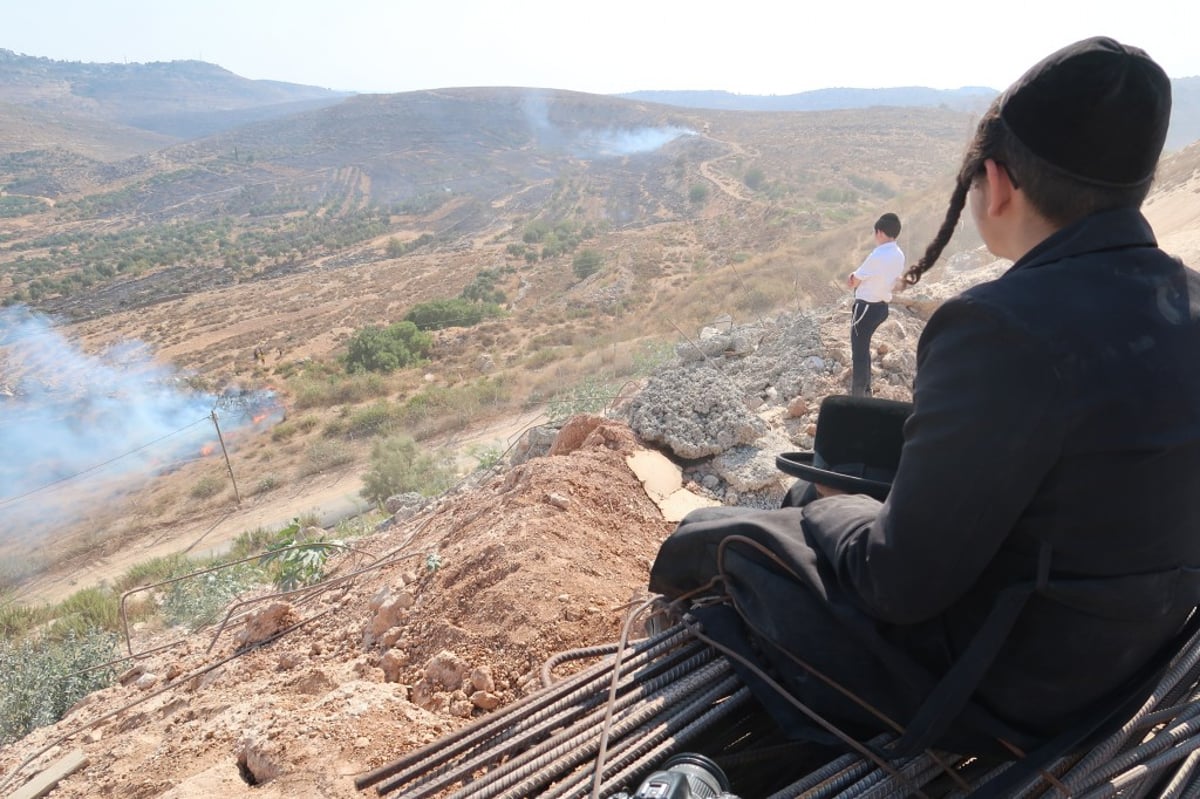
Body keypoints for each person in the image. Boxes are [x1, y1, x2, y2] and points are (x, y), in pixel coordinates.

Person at [649, 36, 1200, 762]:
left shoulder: (999, 327)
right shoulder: (1187, 299)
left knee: (735, 532)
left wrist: (826, 508)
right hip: (1125, 657)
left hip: (998, 686)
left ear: (997, 183)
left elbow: (896, 584)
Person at [848, 213, 905, 396]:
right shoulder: (898, 254)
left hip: (866, 307)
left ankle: (858, 395)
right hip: (882, 308)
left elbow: (854, 281)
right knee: (863, 346)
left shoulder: (878, 255)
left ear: (879, 232)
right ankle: (866, 390)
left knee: (859, 350)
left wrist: (852, 278)